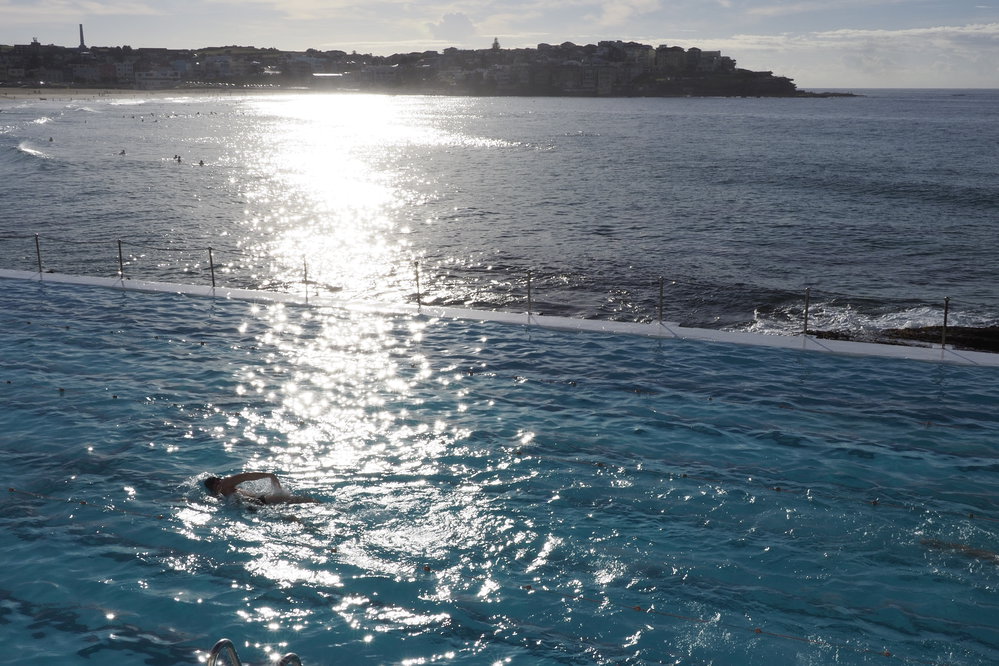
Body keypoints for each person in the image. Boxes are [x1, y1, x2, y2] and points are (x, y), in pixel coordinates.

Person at [204, 472, 319, 504]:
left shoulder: (227, 483)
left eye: (218, 481)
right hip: (256, 505)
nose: (219, 483)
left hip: (260, 501)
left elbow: (246, 476)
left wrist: (268, 475)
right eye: (216, 484)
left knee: (297, 500)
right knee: (289, 517)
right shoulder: (216, 496)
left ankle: (322, 504)